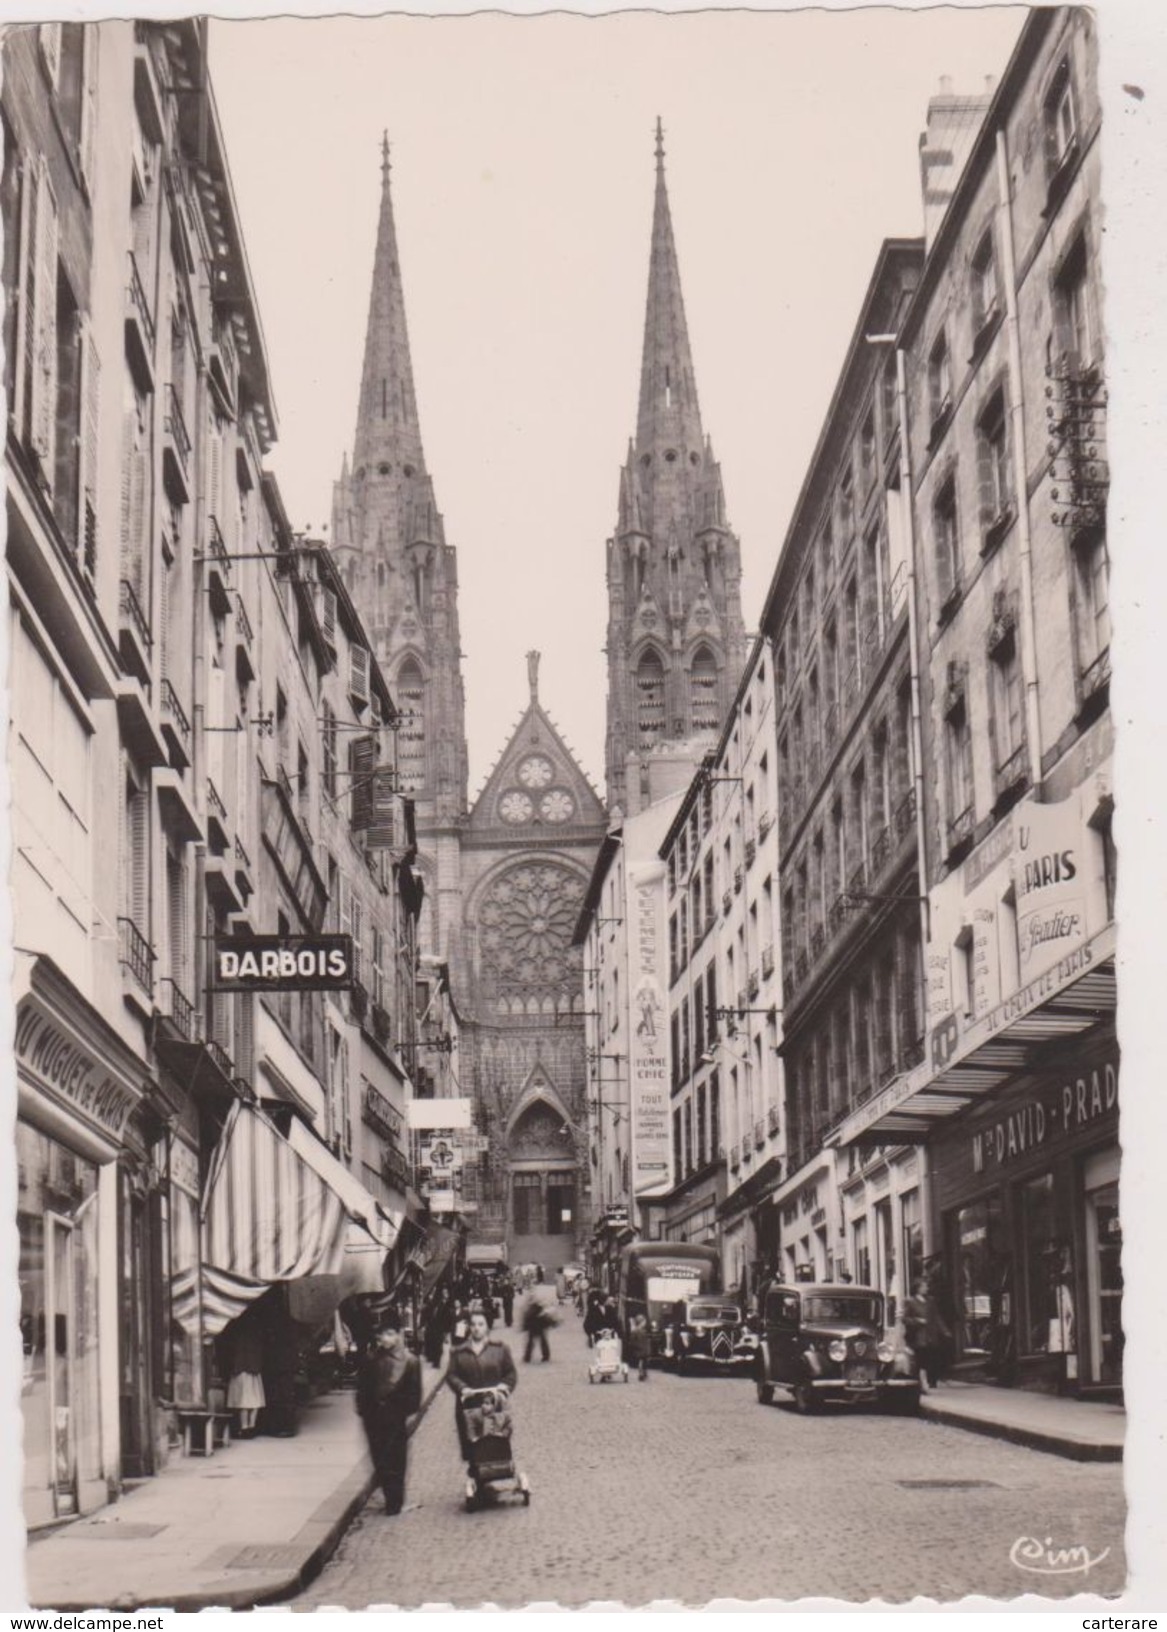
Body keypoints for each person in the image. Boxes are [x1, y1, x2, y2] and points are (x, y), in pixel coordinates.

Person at [356, 1321, 422, 1515]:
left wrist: (399, 1412)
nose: (385, 1339)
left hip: (394, 1418)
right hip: (374, 1418)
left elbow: (414, 1395)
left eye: (389, 1334)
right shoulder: (370, 1359)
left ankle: (395, 1502)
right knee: (380, 1459)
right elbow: (363, 1389)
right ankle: (390, 1498)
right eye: (382, 1335)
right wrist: (366, 1411)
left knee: (396, 1460)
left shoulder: (410, 1361)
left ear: (398, 1335)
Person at [446, 1307, 518, 1466]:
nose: (477, 1328)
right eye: (473, 1324)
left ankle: (493, 1473)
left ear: (487, 1327)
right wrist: (462, 1388)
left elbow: (511, 1373)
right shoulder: (459, 1352)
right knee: (473, 1443)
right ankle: (477, 1478)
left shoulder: (499, 1349)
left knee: (495, 1441)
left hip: (494, 1404)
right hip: (470, 1406)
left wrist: (504, 1386)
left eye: (481, 1324)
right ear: (469, 1327)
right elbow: (451, 1375)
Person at [903, 1279, 951, 1391]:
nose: (927, 1288)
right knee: (921, 1358)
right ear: (918, 1288)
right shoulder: (911, 1302)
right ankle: (919, 1381)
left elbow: (937, 1317)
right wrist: (917, 1321)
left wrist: (945, 1331)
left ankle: (932, 1381)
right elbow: (905, 1319)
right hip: (919, 1335)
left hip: (931, 1333)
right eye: (924, 1286)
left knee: (933, 1357)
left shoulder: (930, 1301)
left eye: (926, 1286)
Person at [225, 1304, 265, 1436]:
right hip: (254, 1369)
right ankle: (251, 1427)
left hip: (240, 1368)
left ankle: (244, 1427)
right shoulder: (257, 1330)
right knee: (255, 1400)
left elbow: (231, 1350)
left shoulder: (236, 1330)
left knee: (243, 1401)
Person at [521, 1291, 557, 1363]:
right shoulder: (537, 1307)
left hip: (536, 1326)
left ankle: (528, 1357)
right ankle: (543, 1356)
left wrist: (524, 1326)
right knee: (539, 1342)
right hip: (538, 1326)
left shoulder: (533, 1307)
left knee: (533, 1342)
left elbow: (527, 1317)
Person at [626, 1312, 651, 1382]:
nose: (645, 1323)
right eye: (644, 1322)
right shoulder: (636, 1331)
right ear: (641, 1322)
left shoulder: (641, 1331)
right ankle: (641, 1373)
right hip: (640, 1349)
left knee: (644, 1362)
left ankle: (644, 1373)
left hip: (642, 1349)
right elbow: (632, 1341)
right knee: (641, 1362)